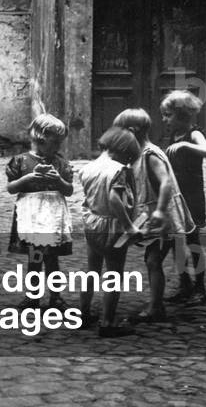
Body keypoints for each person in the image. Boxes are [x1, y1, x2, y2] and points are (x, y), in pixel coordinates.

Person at [113, 108, 194, 323]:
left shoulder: (150, 154)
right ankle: (180, 287)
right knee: (153, 258)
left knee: (153, 259)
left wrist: (159, 210)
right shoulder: (137, 152)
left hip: (163, 215)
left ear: (132, 131)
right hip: (151, 214)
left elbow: (166, 181)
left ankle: (156, 307)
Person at [77, 127, 143, 338]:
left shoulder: (88, 167)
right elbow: (115, 199)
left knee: (92, 270)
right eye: (129, 157)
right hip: (111, 227)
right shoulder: (118, 170)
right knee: (114, 274)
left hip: (92, 222)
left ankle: (83, 313)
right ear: (122, 150)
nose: (129, 162)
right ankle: (107, 321)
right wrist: (129, 226)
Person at [5, 113, 74, 311]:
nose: (57, 148)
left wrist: (58, 181)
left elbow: (69, 190)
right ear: (41, 138)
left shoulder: (60, 163)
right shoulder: (21, 161)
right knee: (34, 257)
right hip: (31, 214)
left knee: (52, 258)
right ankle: (32, 296)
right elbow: (11, 188)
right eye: (55, 143)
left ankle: (56, 296)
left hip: (52, 214)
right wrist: (28, 179)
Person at [161, 90, 206, 305]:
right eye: (164, 115)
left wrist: (186, 145)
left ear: (182, 115)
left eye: (168, 115)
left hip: (190, 196)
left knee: (193, 241)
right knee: (176, 241)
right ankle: (184, 284)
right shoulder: (169, 136)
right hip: (174, 196)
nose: (164, 120)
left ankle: (200, 288)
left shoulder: (193, 134)